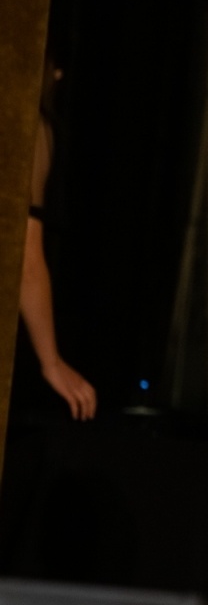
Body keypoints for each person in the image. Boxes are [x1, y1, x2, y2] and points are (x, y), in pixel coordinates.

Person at [19, 58, 96, 420]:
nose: (59, 75)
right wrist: (51, 361)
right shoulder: (27, 126)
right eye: (53, 61)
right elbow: (27, 256)